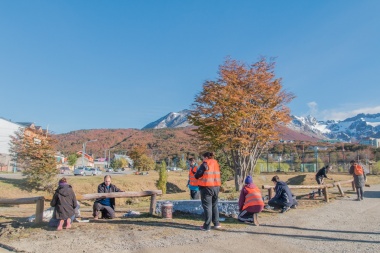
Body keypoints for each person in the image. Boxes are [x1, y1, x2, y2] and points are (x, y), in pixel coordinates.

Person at [194, 152, 222, 231]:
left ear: (206, 157)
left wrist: (196, 175)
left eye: (203, 157)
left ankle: (206, 226)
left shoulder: (205, 164)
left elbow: (197, 175)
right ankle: (216, 223)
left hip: (206, 187)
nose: (202, 159)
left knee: (207, 206)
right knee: (214, 205)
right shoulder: (216, 163)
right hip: (216, 186)